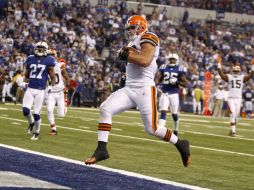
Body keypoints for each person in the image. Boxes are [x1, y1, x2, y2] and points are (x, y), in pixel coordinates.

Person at [85, 15, 191, 167]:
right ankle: (101, 149)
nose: (129, 31)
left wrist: (127, 54)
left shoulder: (149, 36)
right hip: (130, 87)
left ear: (141, 26)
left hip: (144, 88)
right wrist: (126, 75)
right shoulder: (132, 42)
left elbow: (145, 60)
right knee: (105, 108)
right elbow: (135, 64)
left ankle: (181, 144)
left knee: (152, 129)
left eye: (132, 28)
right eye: (128, 29)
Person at [22, 41, 56, 140]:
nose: (40, 50)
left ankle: (36, 132)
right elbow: (27, 74)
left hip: (40, 90)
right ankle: (31, 122)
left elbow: (53, 77)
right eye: (38, 48)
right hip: (30, 88)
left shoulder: (49, 60)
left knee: (36, 113)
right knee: (25, 111)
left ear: (45, 50)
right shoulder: (30, 58)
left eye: (42, 48)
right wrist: (24, 81)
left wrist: (50, 86)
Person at [217, 58, 254, 137]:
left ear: (239, 71)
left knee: (236, 116)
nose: (236, 72)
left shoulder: (242, 77)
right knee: (233, 113)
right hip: (231, 98)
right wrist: (219, 64)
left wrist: (253, 66)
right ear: (233, 71)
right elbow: (221, 74)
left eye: (237, 71)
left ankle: (232, 129)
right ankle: (233, 131)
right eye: (235, 71)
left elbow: (251, 75)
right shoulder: (229, 77)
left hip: (238, 99)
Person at [156, 53, 188, 136]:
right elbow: (161, 78)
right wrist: (155, 84)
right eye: (170, 59)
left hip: (174, 94)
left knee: (174, 114)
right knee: (163, 110)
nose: (172, 61)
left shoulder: (179, 69)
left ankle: (176, 129)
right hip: (164, 92)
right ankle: (160, 129)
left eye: (173, 59)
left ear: (176, 61)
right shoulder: (164, 67)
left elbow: (185, 84)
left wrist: (177, 82)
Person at [47, 49, 70, 135]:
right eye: (49, 55)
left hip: (60, 92)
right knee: (49, 110)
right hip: (51, 92)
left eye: (52, 55)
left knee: (61, 115)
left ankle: (65, 100)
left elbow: (67, 78)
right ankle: (53, 129)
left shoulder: (60, 65)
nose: (50, 57)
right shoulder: (45, 65)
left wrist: (66, 89)